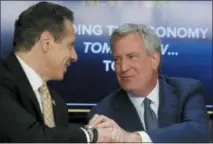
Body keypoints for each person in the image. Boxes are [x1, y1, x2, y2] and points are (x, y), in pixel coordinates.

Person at [0, 2, 113, 143]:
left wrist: (88, 133)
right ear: (46, 42)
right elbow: (31, 137)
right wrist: (91, 135)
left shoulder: (57, 104)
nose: (74, 56)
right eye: (70, 45)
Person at [89, 23, 210, 143]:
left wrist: (135, 138)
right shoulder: (103, 113)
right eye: (117, 60)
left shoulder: (186, 91)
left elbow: (199, 133)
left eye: (132, 57)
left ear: (154, 60)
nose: (123, 67)